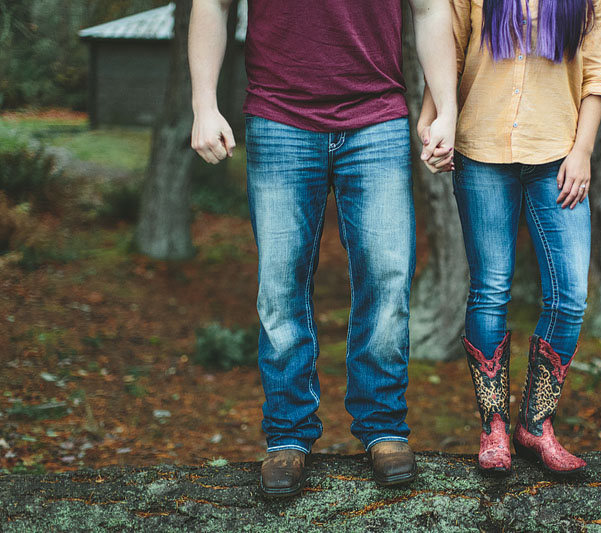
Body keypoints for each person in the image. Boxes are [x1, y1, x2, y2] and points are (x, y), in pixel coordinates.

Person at [189, 0, 457, 496]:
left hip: (376, 118)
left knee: (387, 279)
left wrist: (448, 108)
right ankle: (288, 436)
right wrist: (204, 105)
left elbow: (430, 10)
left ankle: (384, 428)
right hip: (278, 118)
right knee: (280, 285)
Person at [418, 0, 601, 475]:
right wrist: (432, 116)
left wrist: (583, 151)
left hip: (558, 155)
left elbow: (597, 73)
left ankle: (536, 424)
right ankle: (494, 429)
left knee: (570, 296)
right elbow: (452, 48)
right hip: (482, 149)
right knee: (490, 290)